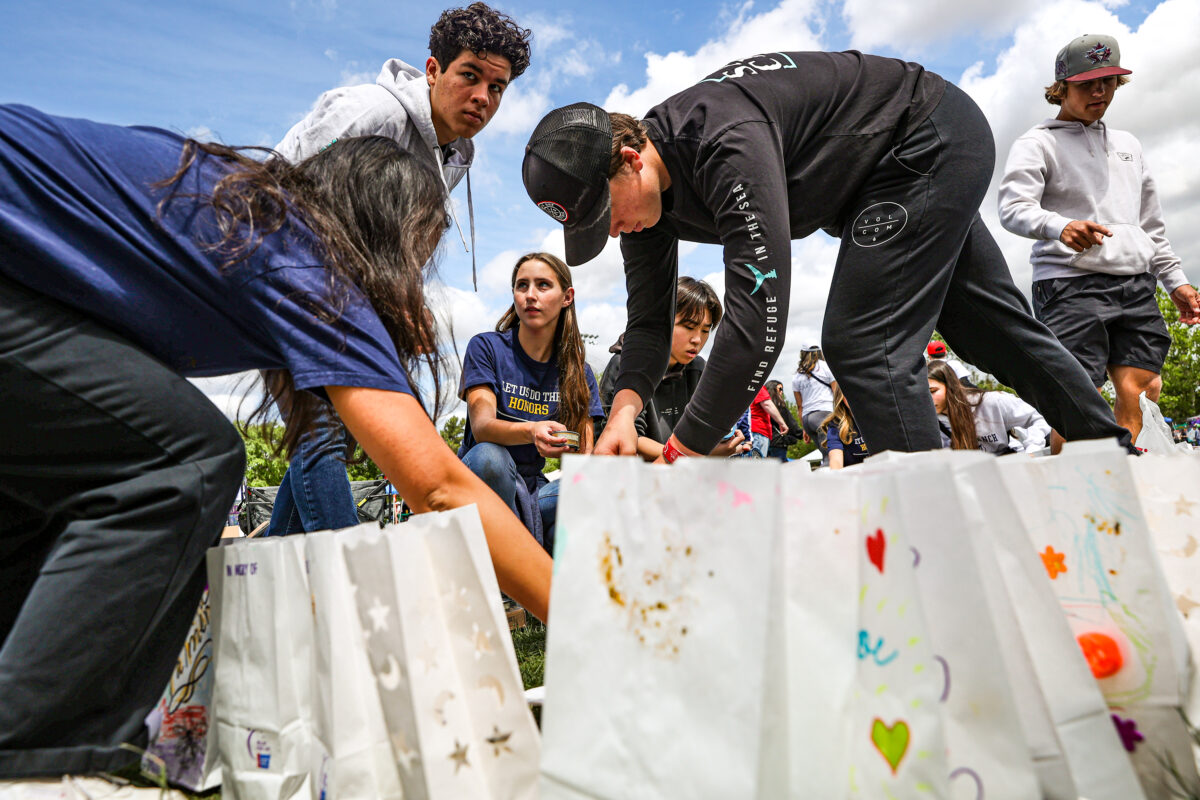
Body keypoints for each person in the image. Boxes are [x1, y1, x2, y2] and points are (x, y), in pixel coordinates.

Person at [0, 106, 551, 778]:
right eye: (420, 247)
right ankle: (37, 766)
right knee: (185, 461)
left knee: (52, 499)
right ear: (384, 230)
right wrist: (584, 621)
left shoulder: (235, 207)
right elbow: (437, 483)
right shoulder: (305, 259)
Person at [522, 50, 1135, 467]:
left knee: (866, 344)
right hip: (879, 179)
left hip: (922, 138)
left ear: (630, 157)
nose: (615, 232)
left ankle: (935, 542)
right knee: (991, 329)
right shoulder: (644, 209)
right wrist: (625, 413)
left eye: (608, 214)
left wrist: (683, 452)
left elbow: (759, 316)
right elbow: (650, 327)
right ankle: (1112, 453)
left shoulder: (721, 142)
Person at [266, 1, 531, 537]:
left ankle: (254, 584)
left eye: (497, 87)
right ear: (433, 70)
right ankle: (356, 590)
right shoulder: (369, 111)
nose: (483, 97)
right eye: (470, 75)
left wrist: (400, 307)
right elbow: (285, 196)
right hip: (285, 268)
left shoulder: (458, 154)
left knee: (333, 433)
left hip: (354, 296)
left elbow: (398, 238)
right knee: (321, 432)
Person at [999, 33, 1199, 450]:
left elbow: (1151, 227)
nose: (1099, 91)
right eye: (1087, 83)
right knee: (1076, 398)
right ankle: (1070, 495)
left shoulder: (1129, 145)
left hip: (1135, 282)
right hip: (1069, 284)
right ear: (1061, 86)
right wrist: (1060, 226)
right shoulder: (1037, 143)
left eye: (1107, 82)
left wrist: (1176, 281)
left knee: (1142, 388)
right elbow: (1013, 208)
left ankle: (1123, 478)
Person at [458, 252, 604, 554]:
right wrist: (532, 431)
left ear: (567, 297)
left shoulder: (579, 372)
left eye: (543, 285)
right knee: (491, 458)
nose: (530, 295)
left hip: (536, 490)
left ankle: (541, 569)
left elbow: (585, 459)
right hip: (480, 478)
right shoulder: (486, 347)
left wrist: (568, 443)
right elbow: (482, 428)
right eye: (522, 286)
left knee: (596, 488)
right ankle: (519, 568)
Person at [598, 277, 747, 459]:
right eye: (688, 327)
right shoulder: (624, 365)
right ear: (661, 320)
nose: (697, 339)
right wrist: (687, 455)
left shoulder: (698, 368)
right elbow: (630, 437)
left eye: (705, 330)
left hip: (682, 475)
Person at [927, 361, 1051, 455]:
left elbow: (1041, 416)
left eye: (933, 391)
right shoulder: (932, 421)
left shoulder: (990, 402)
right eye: (924, 394)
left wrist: (1032, 449)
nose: (928, 398)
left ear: (950, 386)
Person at [791, 345, 836, 464]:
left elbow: (800, 407)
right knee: (832, 455)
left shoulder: (797, 376)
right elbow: (837, 394)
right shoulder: (826, 367)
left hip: (807, 420)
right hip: (824, 414)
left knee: (825, 454)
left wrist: (804, 429)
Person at [821, 386, 870, 470]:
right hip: (854, 478)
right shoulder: (836, 424)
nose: (854, 397)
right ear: (841, 397)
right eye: (848, 393)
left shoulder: (879, 417)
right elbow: (836, 460)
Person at [741, 383, 789, 458]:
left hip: (747, 432)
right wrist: (782, 423)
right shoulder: (757, 385)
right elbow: (767, 404)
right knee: (757, 467)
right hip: (758, 432)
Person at [764, 380, 800, 461]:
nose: (782, 392)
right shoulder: (779, 406)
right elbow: (792, 425)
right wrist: (803, 434)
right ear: (773, 389)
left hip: (764, 442)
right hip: (778, 443)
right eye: (780, 389)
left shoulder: (762, 407)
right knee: (780, 468)